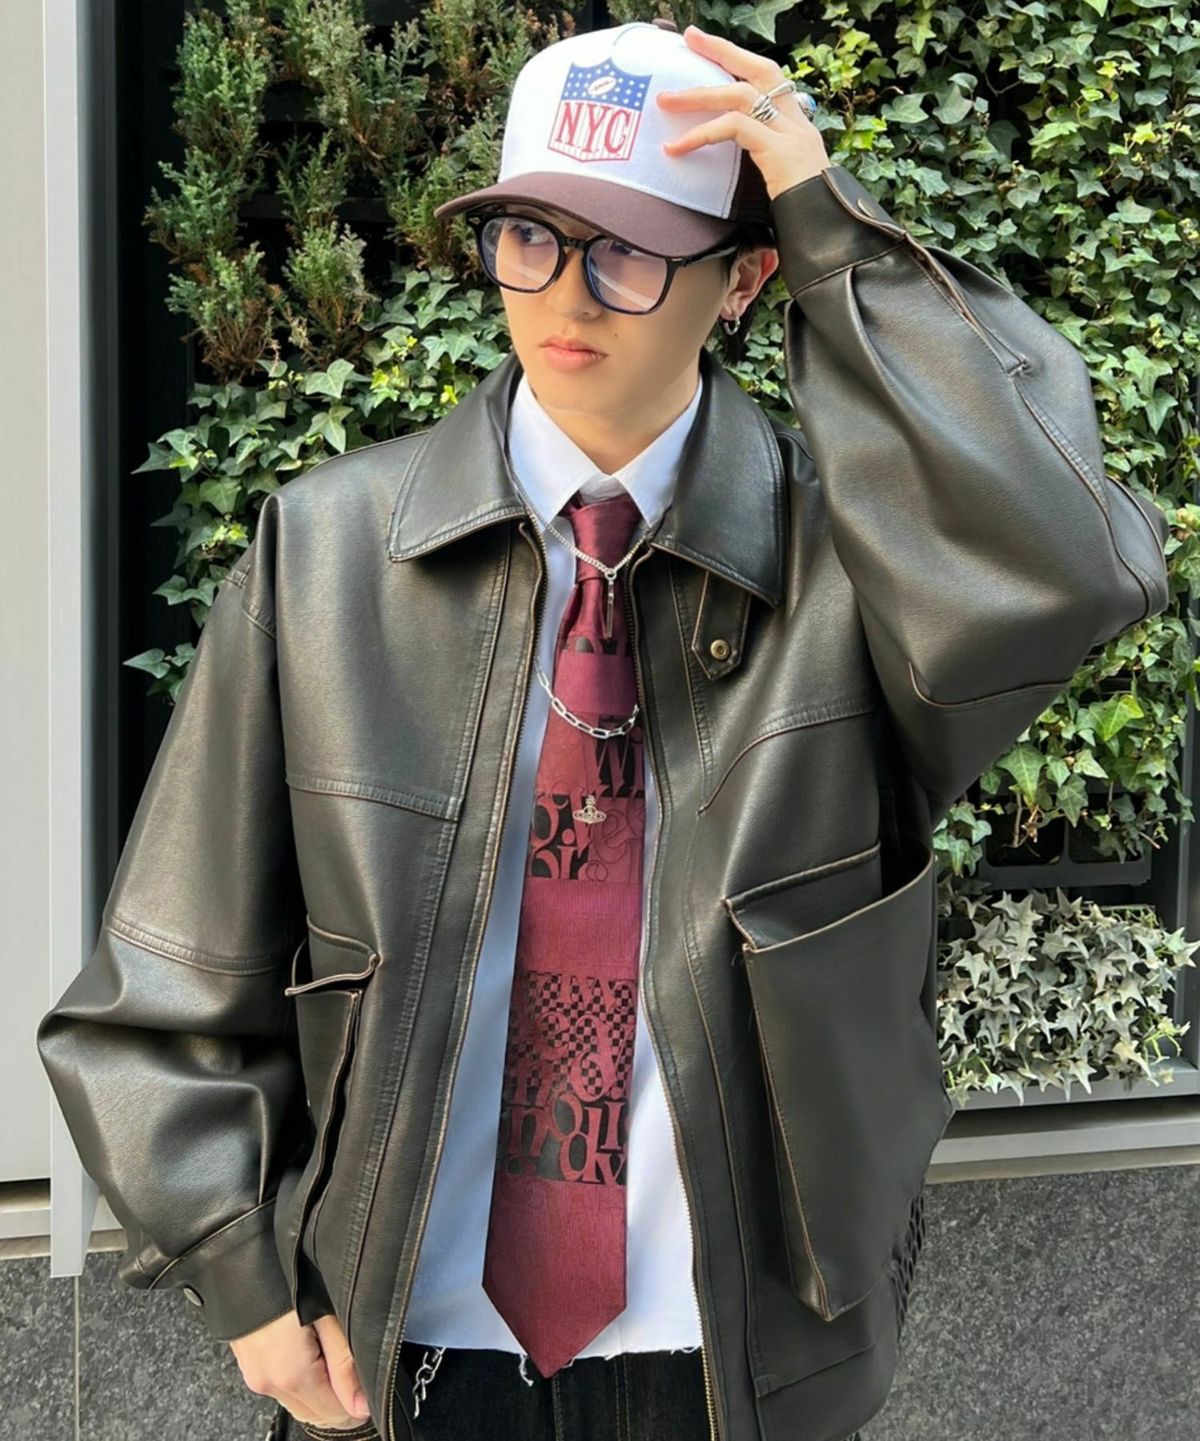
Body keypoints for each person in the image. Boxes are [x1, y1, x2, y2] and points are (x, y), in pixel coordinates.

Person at [35, 15, 1170, 1441]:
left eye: (628, 252)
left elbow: (1064, 565)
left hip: (734, 1364)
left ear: (743, 279)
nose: (566, 294)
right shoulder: (327, 554)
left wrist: (837, 228)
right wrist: (243, 1283)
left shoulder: (859, 577)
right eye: (530, 236)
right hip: (398, 1360)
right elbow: (166, 977)